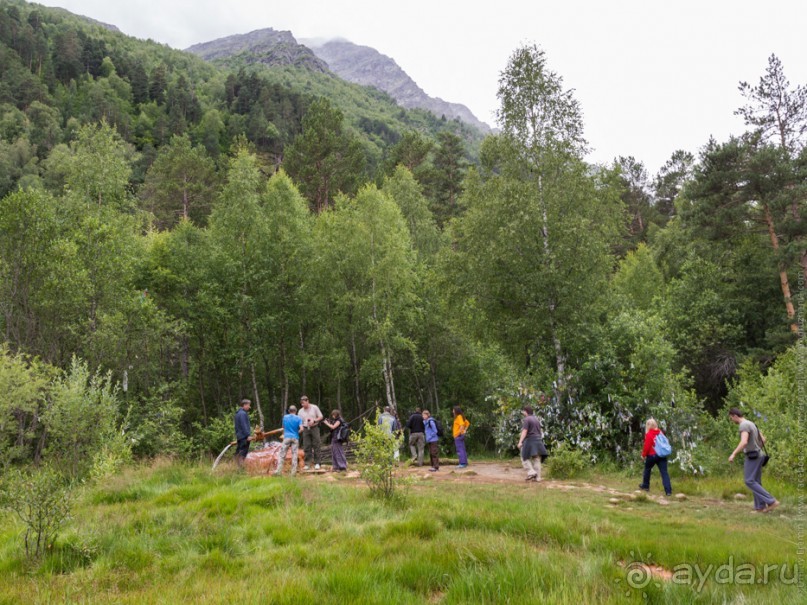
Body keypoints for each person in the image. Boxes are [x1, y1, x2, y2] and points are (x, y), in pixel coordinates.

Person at [728, 408, 778, 513]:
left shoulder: (744, 425)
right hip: (759, 455)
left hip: (753, 457)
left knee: (749, 481)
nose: (732, 421)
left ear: (735, 416)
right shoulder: (752, 424)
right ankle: (760, 507)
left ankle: (771, 501)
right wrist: (757, 448)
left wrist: (733, 454)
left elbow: (744, 442)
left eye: (731, 418)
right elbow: (763, 439)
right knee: (756, 482)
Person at [638, 418, 672, 496]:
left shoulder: (649, 434)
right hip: (662, 455)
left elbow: (646, 447)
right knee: (664, 473)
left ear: (648, 426)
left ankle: (645, 486)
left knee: (647, 469)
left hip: (652, 455)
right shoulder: (660, 432)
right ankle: (668, 491)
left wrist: (643, 455)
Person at [517, 405, 547, 481]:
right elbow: (540, 431)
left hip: (530, 440)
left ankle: (531, 472)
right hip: (538, 440)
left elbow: (525, 431)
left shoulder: (527, 419)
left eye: (523, 411)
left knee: (524, 457)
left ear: (526, 412)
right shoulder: (536, 419)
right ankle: (538, 477)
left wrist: (520, 442)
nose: (523, 413)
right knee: (536, 458)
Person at [274, 405, 303, 476]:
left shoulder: (285, 417)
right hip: (295, 438)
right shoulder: (299, 418)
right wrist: (297, 433)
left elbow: (283, 427)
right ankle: (293, 473)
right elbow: (302, 429)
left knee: (282, 454)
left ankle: (278, 471)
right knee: (294, 454)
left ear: (289, 411)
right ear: (296, 411)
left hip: (286, 437)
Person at [297, 395, 324, 470]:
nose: (303, 405)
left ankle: (317, 463)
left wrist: (314, 420)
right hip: (305, 429)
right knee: (306, 445)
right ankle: (307, 463)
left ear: (307, 401)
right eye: (301, 404)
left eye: (304, 403)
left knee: (317, 444)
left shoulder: (314, 407)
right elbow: (299, 421)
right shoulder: (300, 411)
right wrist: (300, 428)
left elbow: (321, 416)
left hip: (314, 427)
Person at [233, 398, 252, 467]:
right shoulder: (243, 414)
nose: (249, 407)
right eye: (248, 405)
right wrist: (248, 435)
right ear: (244, 405)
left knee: (239, 451)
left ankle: (235, 466)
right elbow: (244, 425)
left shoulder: (237, 413)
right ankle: (240, 468)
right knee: (243, 453)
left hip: (239, 436)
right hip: (244, 437)